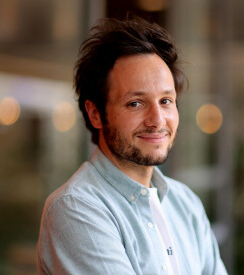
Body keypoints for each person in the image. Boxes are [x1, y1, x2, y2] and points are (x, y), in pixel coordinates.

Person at [37, 17, 227, 275]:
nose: (157, 120)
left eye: (166, 101)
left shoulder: (186, 204)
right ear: (95, 114)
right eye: (135, 103)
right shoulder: (75, 208)